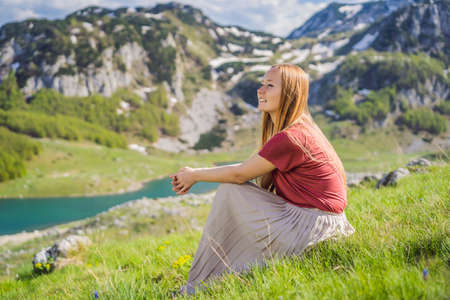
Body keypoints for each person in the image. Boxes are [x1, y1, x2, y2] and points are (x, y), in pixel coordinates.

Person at [170, 64, 355, 295]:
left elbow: (240, 174)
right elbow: (245, 168)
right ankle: (217, 276)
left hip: (314, 229)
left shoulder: (292, 137)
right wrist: (195, 172)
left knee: (231, 190)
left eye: (269, 85)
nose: (260, 90)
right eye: (262, 83)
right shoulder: (300, 130)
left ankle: (199, 285)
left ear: (290, 93)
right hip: (321, 224)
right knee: (234, 189)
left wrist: (194, 175)